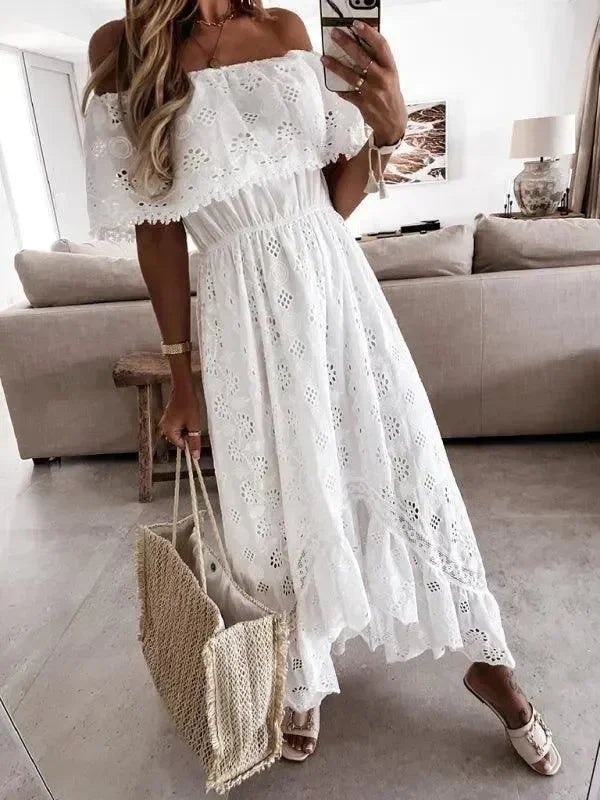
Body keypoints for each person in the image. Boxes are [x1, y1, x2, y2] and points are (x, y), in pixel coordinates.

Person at [84, 0, 560, 774]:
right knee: (272, 497)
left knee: (407, 469)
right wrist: (181, 373)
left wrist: (388, 132)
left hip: (337, 289)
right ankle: (300, 670)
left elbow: (331, 199)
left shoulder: (285, 31)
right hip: (238, 311)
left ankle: (490, 659)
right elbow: (157, 233)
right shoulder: (124, 50)